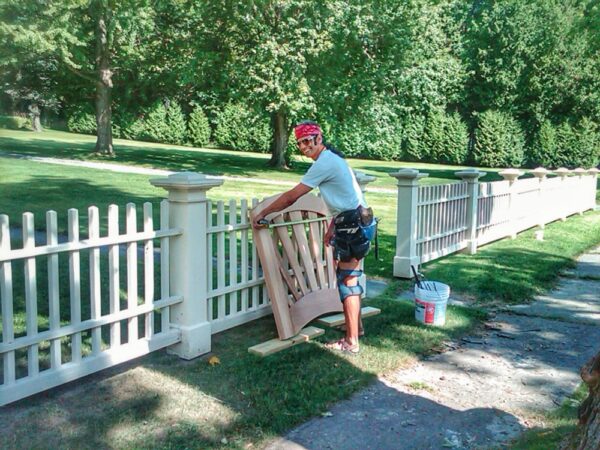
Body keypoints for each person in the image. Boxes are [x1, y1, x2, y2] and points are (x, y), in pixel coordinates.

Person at [252, 121, 376, 354]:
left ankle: (351, 343)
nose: (304, 146)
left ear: (319, 138)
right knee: (350, 279)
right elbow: (347, 198)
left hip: (352, 226)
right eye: (300, 142)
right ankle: (356, 329)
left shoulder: (325, 163)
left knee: (348, 282)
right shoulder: (333, 160)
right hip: (356, 222)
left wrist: (264, 213)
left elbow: (292, 197)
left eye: (308, 140)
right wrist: (332, 227)